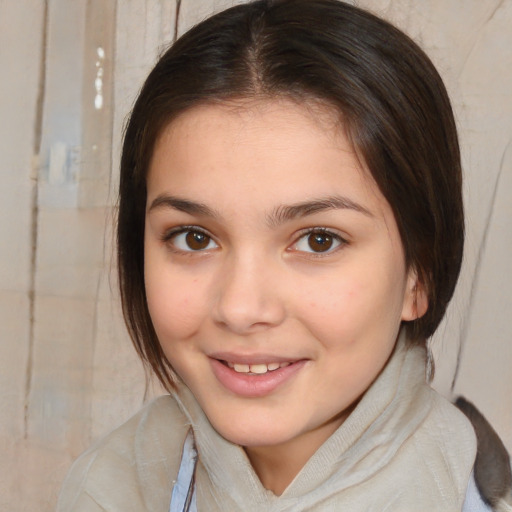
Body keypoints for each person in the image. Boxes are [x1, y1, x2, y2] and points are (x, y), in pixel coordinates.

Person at [57, 0, 511, 510]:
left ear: (418, 273)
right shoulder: (110, 488)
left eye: (319, 240)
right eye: (194, 238)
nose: (241, 308)